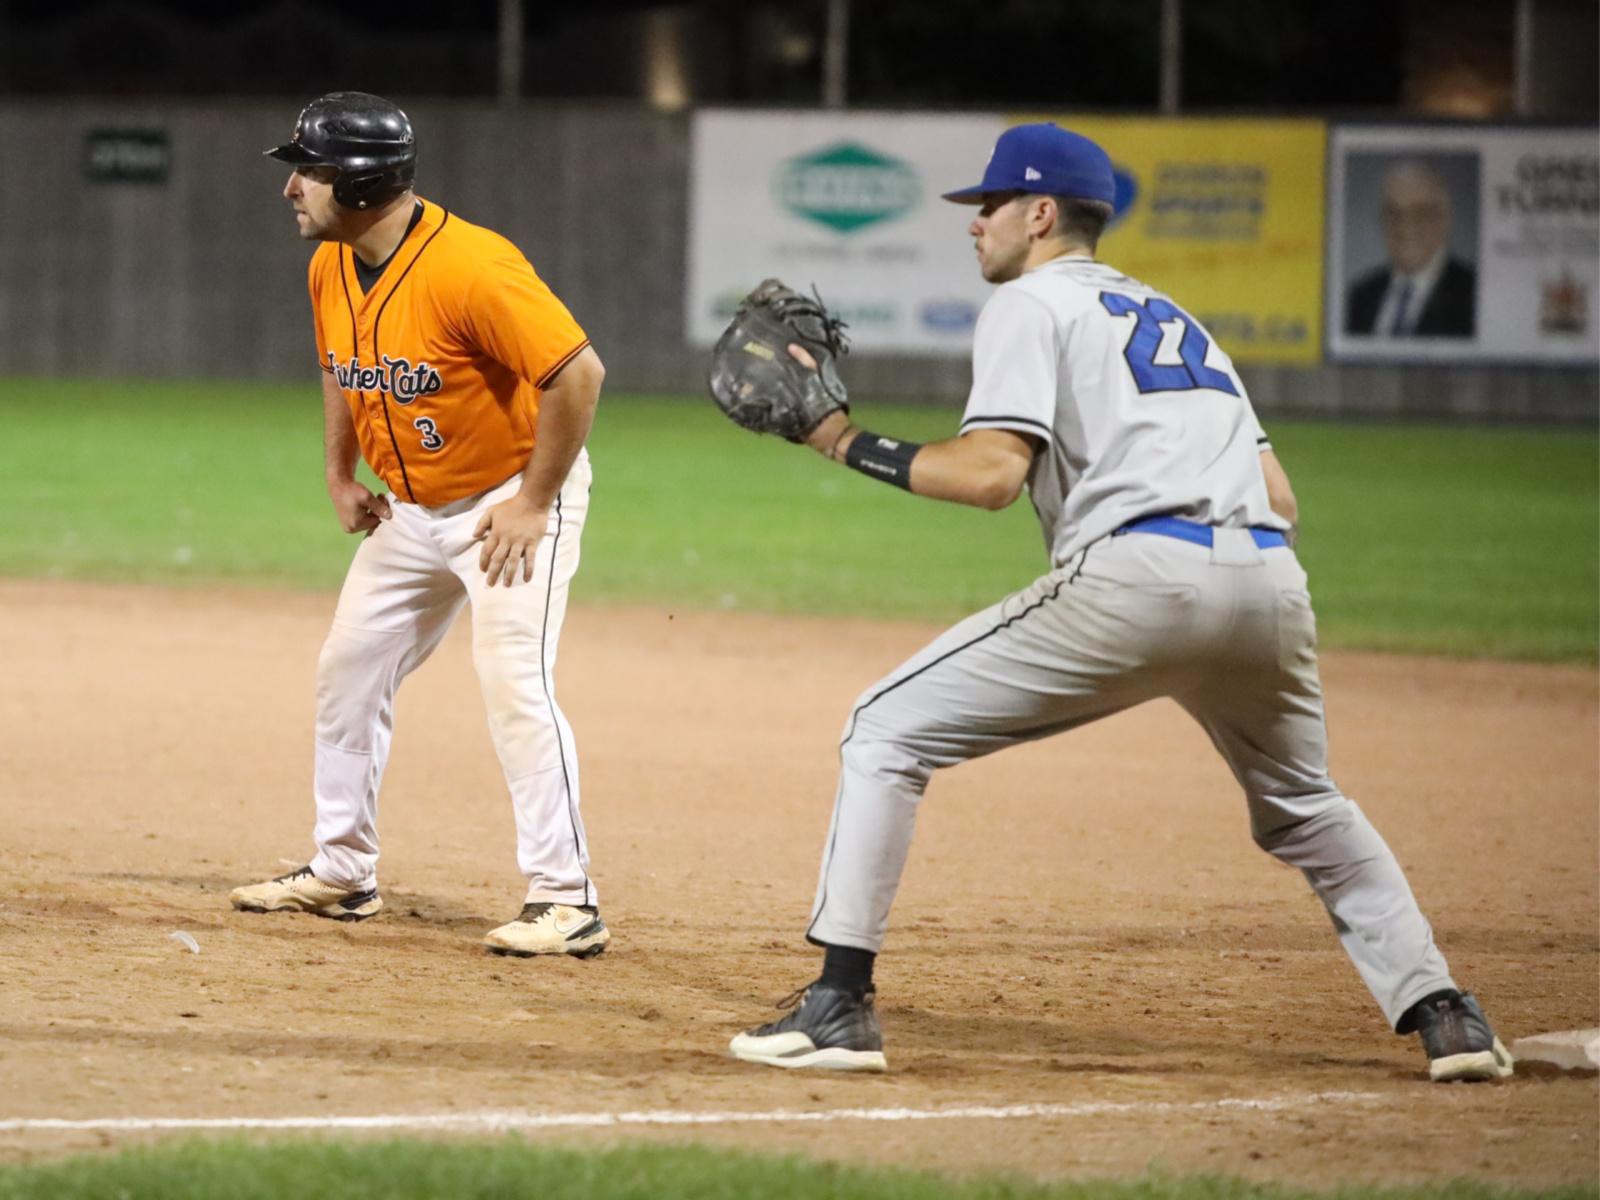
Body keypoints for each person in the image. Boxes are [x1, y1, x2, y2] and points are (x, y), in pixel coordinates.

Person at [728, 123, 1512, 1082]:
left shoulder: (1029, 305)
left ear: (1041, 214)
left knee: (884, 729)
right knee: (1306, 807)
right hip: (1267, 580)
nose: (975, 225)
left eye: (990, 205)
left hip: (1138, 579)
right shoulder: (1179, 320)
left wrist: (841, 440)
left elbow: (988, 477)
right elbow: (1281, 499)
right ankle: (1446, 1014)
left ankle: (838, 1004)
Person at [230, 92, 611, 959]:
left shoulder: (472, 265)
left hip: (504, 507)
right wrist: (337, 472)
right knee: (348, 673)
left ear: (359, 184)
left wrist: (534, 502)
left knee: (515, 685)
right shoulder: (333, 260)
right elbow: (342, 363)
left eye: (308, 170)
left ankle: (567, 899)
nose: (292, 187)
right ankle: (342, 870)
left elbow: (577, 374)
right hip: (406, 510)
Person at [1345, 160, 1477, 338]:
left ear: (1444, 220)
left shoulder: (1473, 294)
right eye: (1393, 213)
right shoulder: (1358, 297)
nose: (1405, 226)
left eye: (1420, 213)